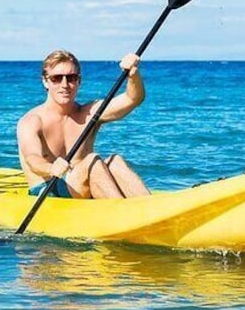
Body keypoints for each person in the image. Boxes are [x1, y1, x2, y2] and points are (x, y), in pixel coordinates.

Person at [17, 49, 150, 199]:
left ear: (79, 81)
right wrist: (51, 168)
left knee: (115, 161)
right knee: (92, 161)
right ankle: (122, 212)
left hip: (80, 187)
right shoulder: (32, 120)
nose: (65, 84)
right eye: (56, 78)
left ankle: (152, 209)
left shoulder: (89, 113)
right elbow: (32, 159)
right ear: (45, 81)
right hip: (48, 192)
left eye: (71, 78)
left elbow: (133, 99)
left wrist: (133, 75)